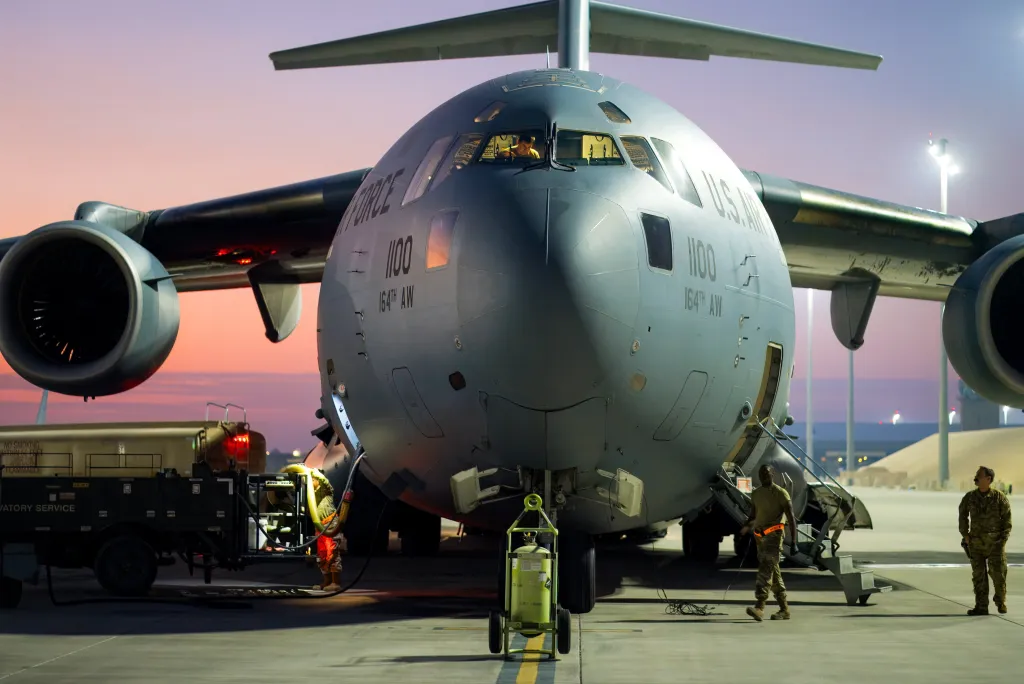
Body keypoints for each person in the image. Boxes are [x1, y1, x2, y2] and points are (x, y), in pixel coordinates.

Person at [739, 464, 798, 621]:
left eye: (767, 473)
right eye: (762, 474)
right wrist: (745, 528)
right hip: (760, 537)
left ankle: (760, 606)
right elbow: (753, 514)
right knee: (774, 573)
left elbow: (791, 518)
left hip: (774, 536)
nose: (765, 476)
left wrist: (794, 542)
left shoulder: (781, 493)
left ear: (773, 474)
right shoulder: (757, 493)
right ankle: (784, 609)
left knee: (765, 569)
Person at [959, 466, 1012, 615]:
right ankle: (981, 607)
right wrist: (965, 535)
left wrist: (1002, 540)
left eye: (979, 476)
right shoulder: (969, 497)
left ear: (988, 479)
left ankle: (1000, 601)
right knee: (979, 577)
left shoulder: (999, 497)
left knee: (999, 575)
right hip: (976, 544)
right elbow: (962, 515)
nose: (975, 478)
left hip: (995, 544)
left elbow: (1007, 519)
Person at [311, 471, 343, 592]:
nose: (311, 482)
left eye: (313, 480)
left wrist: (313, 471)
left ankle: (336, 582)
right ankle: (327, 581)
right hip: (319, 526)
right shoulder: (311, 496)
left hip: (330, 523)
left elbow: (325, 481)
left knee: (332, 552)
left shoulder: (326, 491)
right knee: (322, 554)